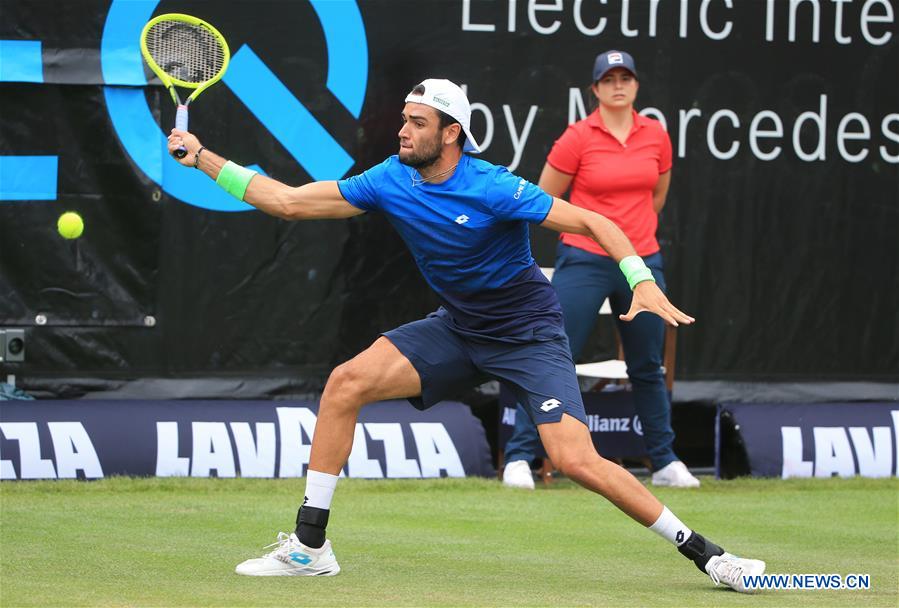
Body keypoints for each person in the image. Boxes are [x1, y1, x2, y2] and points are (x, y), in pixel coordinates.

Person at [167, 78, 764, 591]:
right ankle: (309, 547)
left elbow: (592, 219)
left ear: (449, 132)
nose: (402, 130)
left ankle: (710, 556)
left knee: (573, 458)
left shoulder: (491, 186)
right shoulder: (387, 179)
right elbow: (290, 202)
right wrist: (203, 158)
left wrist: (638, 278)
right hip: (459, 327)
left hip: (529, 332)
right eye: (403, 119)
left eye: (416, 122)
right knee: (346, 384)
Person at [503, 50, 701, 490]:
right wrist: (595, 235)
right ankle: (519, 457)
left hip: (642, 262)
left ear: (636, 85)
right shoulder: (576, 137)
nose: (618, 84)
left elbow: (656, 199)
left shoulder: (656, 136)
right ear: (594, 89)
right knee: (552, 358)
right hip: (584, 259)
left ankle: (664, 461)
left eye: (625, 77)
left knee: (647, 365)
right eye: (608, 78)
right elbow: (544, 202)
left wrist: (630, 243)